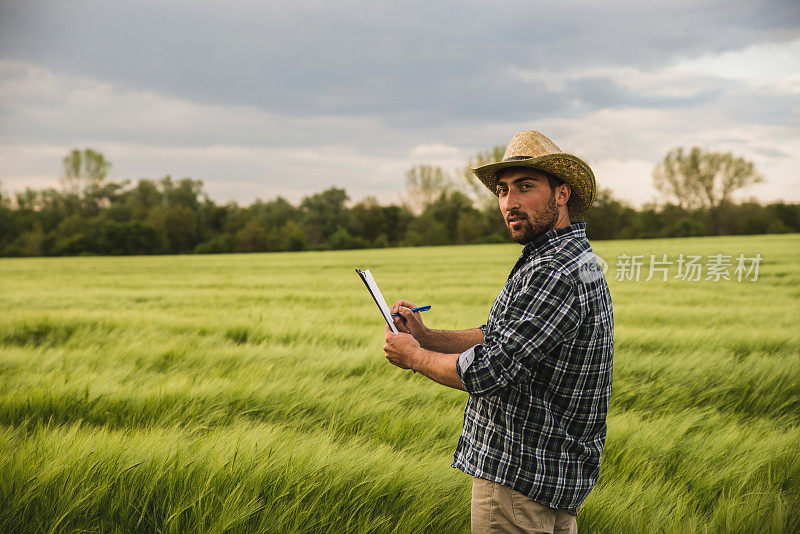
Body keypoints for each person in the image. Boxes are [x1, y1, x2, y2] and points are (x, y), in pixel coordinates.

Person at [383, 130, 614, 534]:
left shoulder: (552, 270)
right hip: (547, 481)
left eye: (526, 187)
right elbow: (504, 336)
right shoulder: (566, 257)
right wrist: (425, 335)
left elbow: (489, 372)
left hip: (519, 484)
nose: (510, 202)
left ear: (562, 194)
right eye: (503, 191)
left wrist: (412, 356)